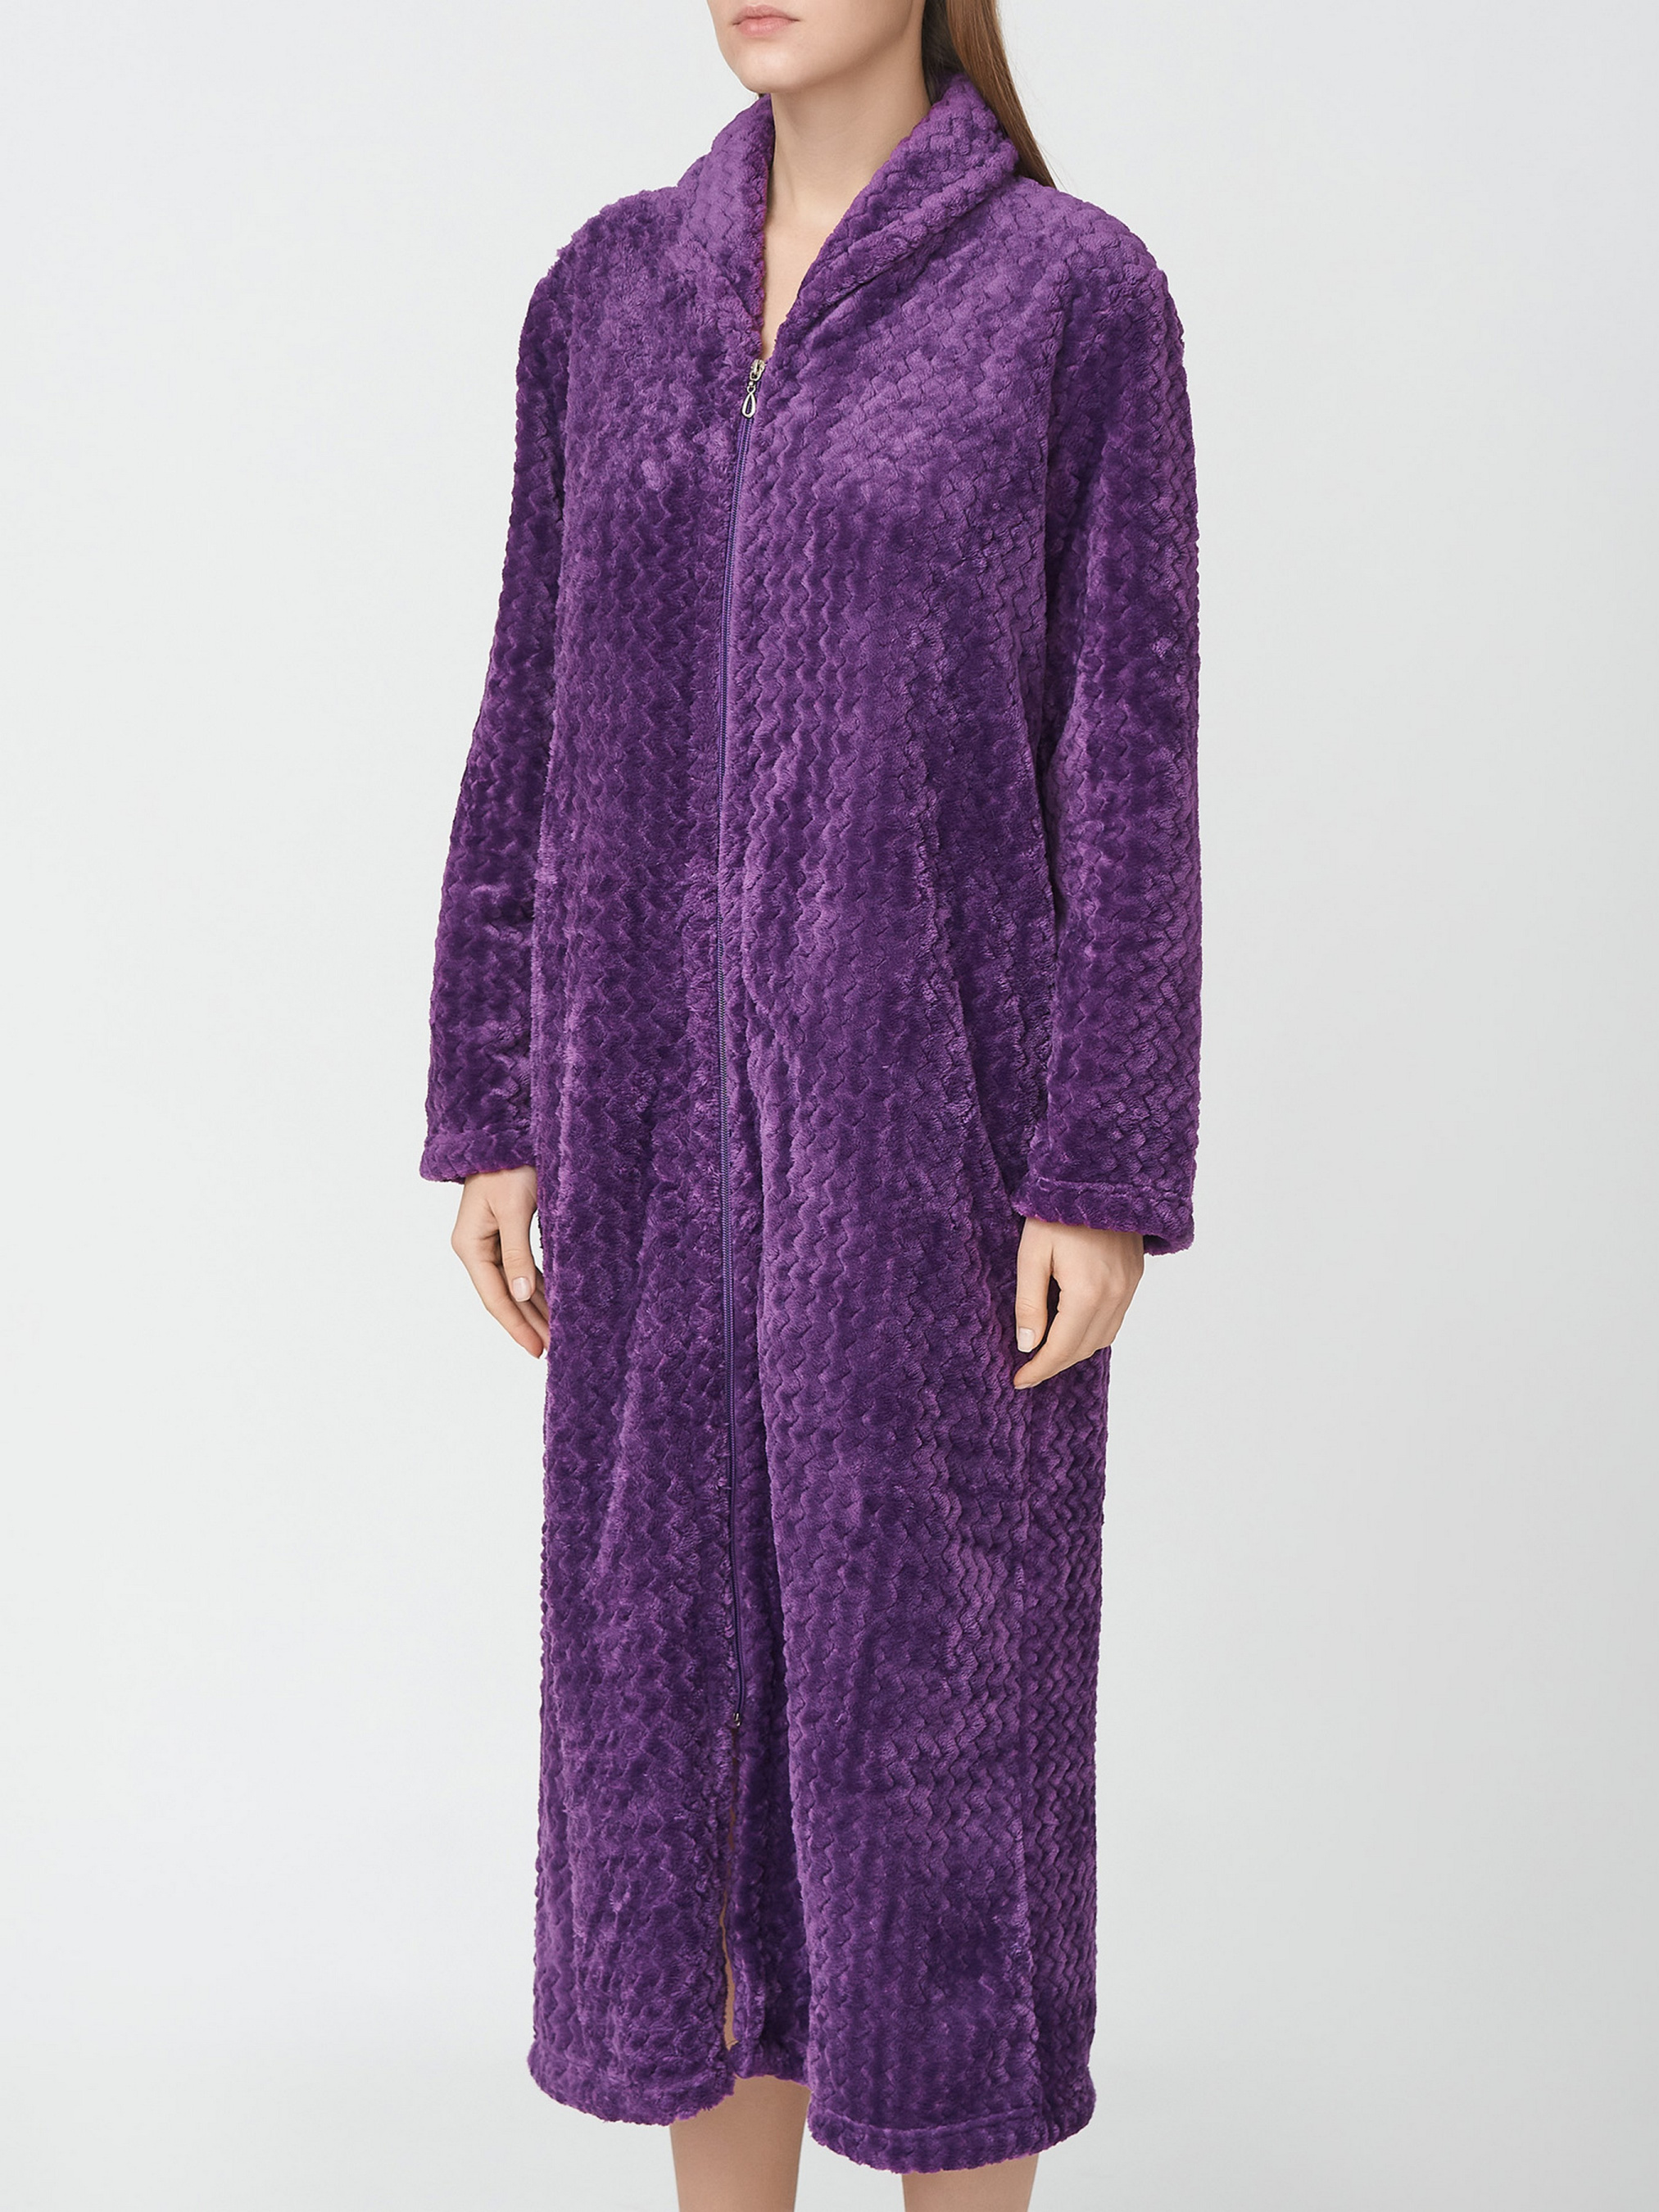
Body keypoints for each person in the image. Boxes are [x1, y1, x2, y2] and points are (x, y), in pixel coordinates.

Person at [420, 2, 1199, 2205]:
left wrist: (1102, 1161)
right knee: (681, 1749)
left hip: (934, 1166)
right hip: (648, 1155)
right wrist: (494, 1094)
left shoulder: (1069, 299)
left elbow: (1129, 760)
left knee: (939, 1758)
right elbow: (526, 706)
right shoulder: (606, 297)